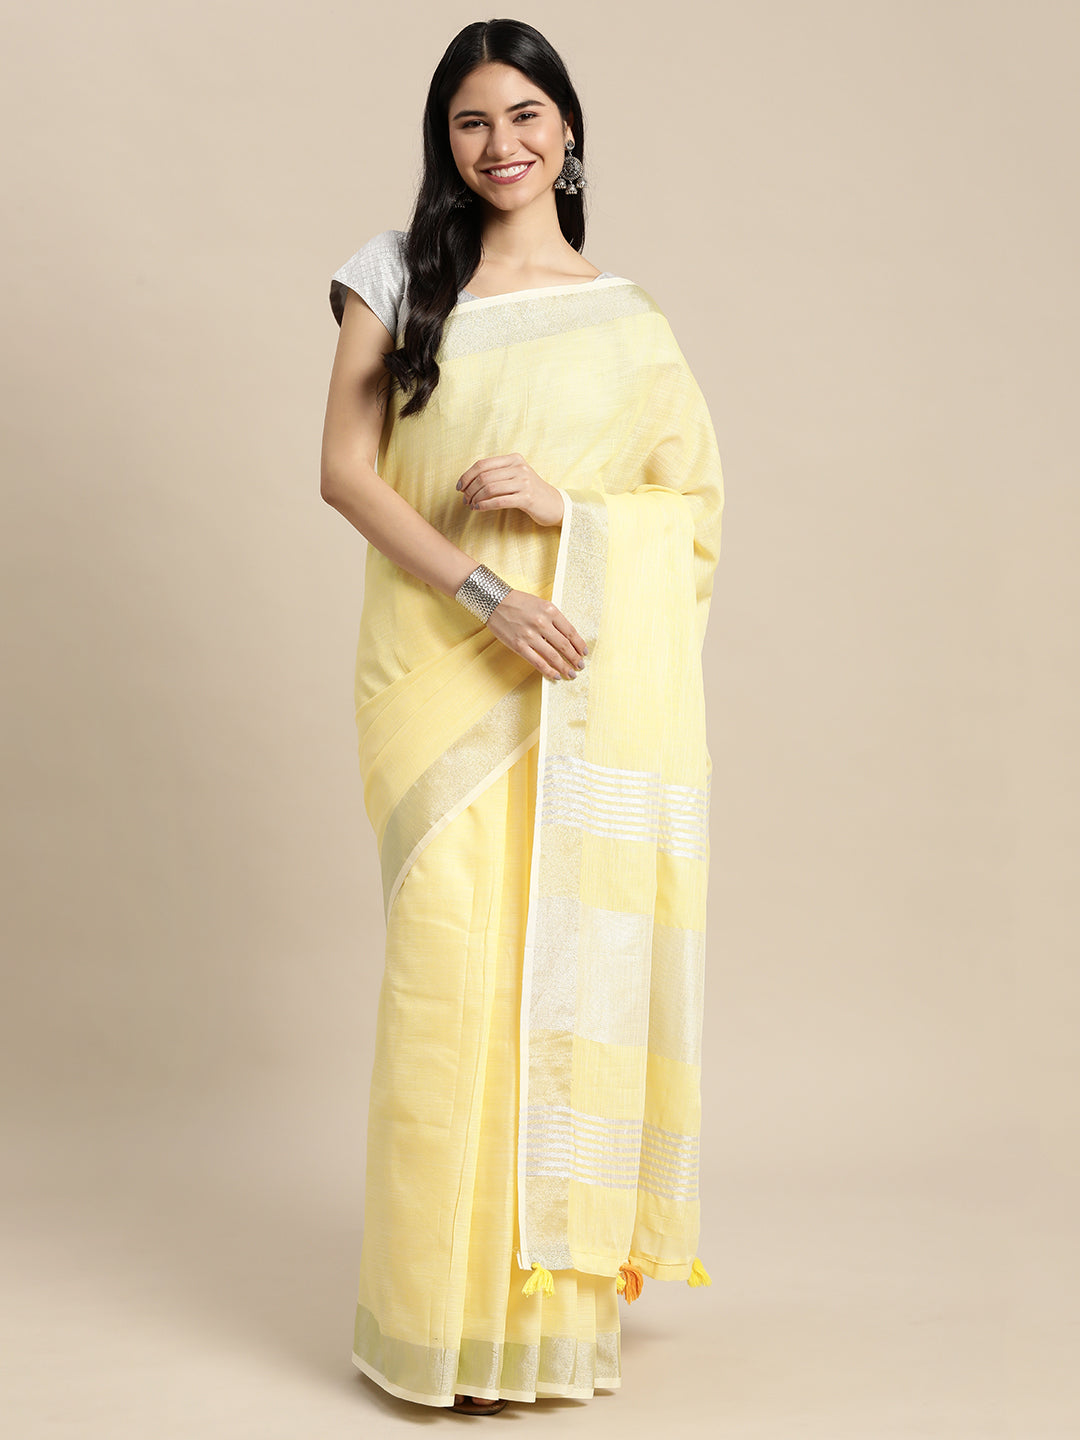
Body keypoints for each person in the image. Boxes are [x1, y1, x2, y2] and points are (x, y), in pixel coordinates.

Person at [320, 17, 725, 1416]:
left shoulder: (630, 320)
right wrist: (490, 591)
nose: (502, 145)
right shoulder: (395, 276)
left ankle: (540, 1329)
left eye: (526, 115)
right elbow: (346, 473)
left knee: (557, 975)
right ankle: (437, 1322)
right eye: (472, 121)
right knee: (451, 989)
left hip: (569, 687)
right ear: (446, 141)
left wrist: (572, 512)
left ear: (568, 131)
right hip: (440, 672)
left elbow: (691, 514)